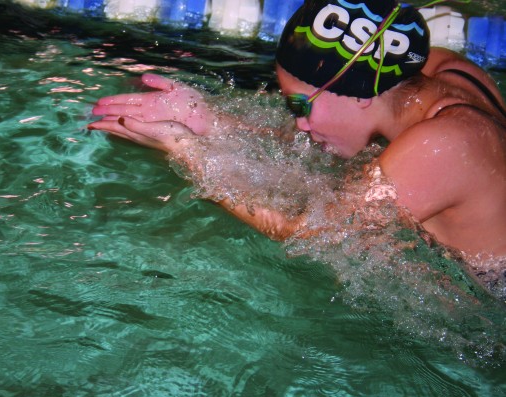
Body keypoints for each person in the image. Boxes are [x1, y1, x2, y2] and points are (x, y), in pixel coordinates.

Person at [87, 0, 506, 297]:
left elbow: (316, 235)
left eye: (301, 105)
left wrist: (184, 150)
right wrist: (209, 119)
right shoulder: (443, 71)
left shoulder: (442, 145)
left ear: (360, 93)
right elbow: (314, 137)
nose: (300, 123)